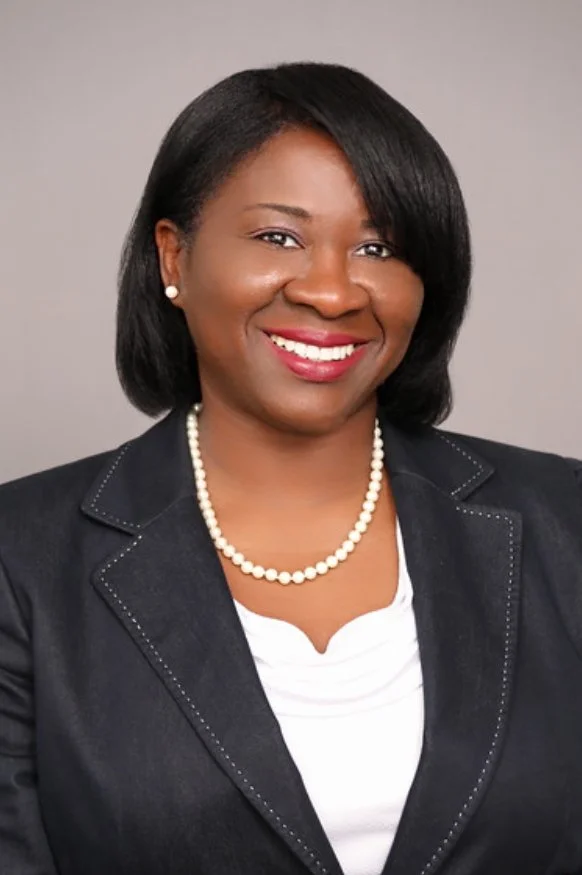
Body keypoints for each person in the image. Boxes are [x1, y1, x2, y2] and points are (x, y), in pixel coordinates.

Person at [0, 61, 581, 875]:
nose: (333, 291)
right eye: (279, 237)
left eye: (378, 246)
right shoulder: (20, 560)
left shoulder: (568, 524)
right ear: (174, 258)